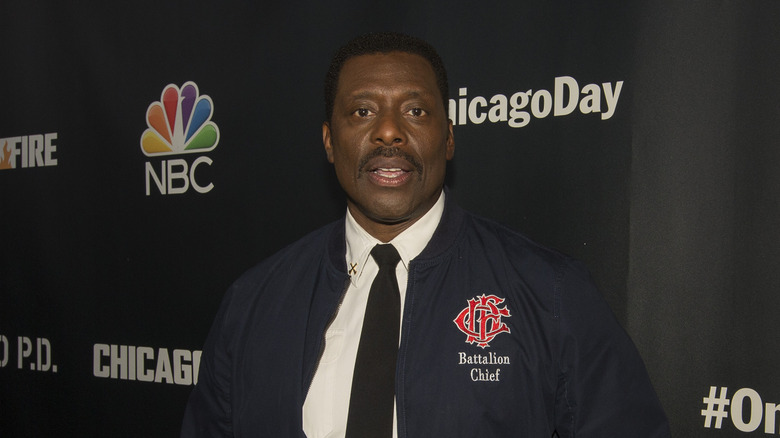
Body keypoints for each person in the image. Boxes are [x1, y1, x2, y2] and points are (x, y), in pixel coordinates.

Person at [181, 32, 670, 437]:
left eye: (415, 111)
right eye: (362, 112)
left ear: (450, 136)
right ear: (330, 142)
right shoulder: (252, 304)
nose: (389, 132)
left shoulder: (550, 293)